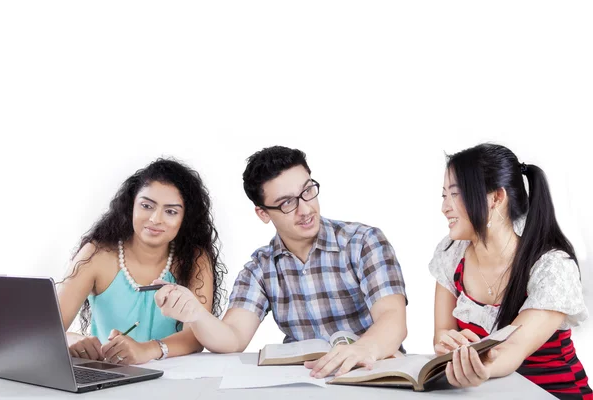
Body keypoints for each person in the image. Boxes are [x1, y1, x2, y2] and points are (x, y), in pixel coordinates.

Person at [154, 146, 407, 378]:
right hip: (305, 382)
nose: (305, 209)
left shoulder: (363, 241)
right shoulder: (261, 267)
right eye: (287, 203)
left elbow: (393, 318)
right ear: (263, 213)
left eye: (307, 191)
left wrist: (363, 350)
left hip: (371, 373)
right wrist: (196, 314)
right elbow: (233, 338)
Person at [430, 143, 591, 399]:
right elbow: (442, 332)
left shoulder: (551, 266)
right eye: (443, 196)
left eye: (455, 194)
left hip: (554, 394)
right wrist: (447, 343)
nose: (444, 208)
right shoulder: (451, 255)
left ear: (496, 198)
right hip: (488, 394)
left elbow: (513, 348)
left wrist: (480, 366)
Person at [57, 158, 226, 365]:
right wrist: (72, 339)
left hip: (175, 380)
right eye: (147, 206)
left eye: (171, 211)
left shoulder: (195, 259)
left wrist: (146, 350)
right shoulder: (96, 254)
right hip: (108, 376)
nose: (155, 219)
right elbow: (47, 328)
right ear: (131, 206)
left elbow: (195, 336)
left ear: (185, 219)